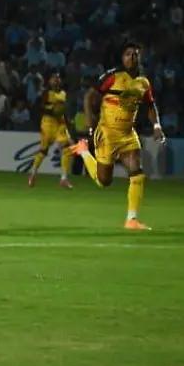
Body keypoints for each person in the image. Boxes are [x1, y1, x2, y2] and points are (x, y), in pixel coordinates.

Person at [70, 41, 166, 230]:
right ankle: (83, 152)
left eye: (135, 54)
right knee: (104, 181)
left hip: (128, 134)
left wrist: (157, 126)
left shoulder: (143, 82)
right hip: (107, 133)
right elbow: (89, 96)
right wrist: (90, 122)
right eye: (128, 54)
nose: (132, 57)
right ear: (122, 58)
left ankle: (132, 219)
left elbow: (150, 105)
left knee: (137, 174)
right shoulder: (113, 76)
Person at [27, 70, 73, 188]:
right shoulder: (46, 93)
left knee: (67, 148)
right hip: (48, 123)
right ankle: (33, 173)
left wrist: (68, 123)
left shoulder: (63, 93)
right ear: (49, 81)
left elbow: (64, 111)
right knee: (43, 151)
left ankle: (63, 179)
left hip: (60, 123)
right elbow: (39, 108)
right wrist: (52, 110)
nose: (56, 80)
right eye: (54, 78)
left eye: (58, 78)